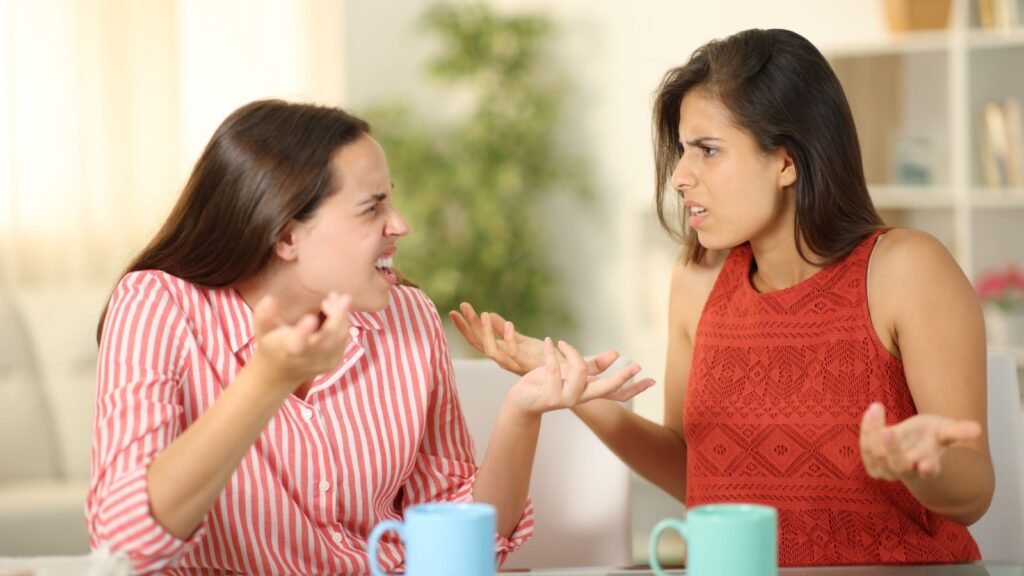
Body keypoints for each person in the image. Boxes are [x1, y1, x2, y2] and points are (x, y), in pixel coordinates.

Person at [452, 28, 994, 566]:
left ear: (787, 161)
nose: (681, 177)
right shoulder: (696, 281)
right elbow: (695, 471)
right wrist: (576, 393)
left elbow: (972, 494)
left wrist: (918, 465)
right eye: (684, 152)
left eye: (708, 151)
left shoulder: (905, 269)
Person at [87, 99, 652, 575]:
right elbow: (125, 543)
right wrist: (266, 382)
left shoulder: (407, 316)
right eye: (372, 207)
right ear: (285, 233)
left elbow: (462, 550)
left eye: (391, 199)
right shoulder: (158, 305)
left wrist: (521, 413)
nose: (400, 224)